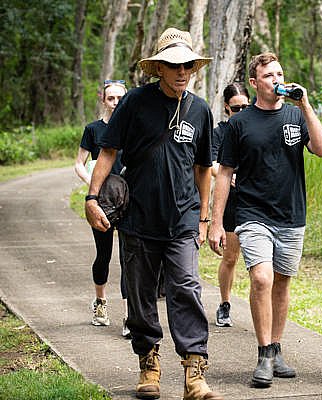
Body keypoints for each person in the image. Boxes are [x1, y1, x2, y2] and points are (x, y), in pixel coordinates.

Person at [84, 28, 223, 400]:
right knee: (141, 294)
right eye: (174, 65)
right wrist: (92, 197)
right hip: (138, 218)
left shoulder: (200, 110)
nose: (182, 72)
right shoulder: (134, 102)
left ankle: (194, 373)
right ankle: (149, 364)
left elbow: (203, 168)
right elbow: (108, 151)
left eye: (188, 65)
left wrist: (204, 217)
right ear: (159, 68)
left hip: (182, 219)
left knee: (186, 289)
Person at [208, 52, 322, 388]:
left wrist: (305, 105)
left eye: (279, 74)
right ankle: (263, 354)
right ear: (254, 83)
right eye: (268, 76)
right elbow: (224, 173)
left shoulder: (295, 115)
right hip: (252, 214)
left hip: (291, 214)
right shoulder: (240, 123)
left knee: (281, 283)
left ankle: (276, 349)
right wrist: (215, 222)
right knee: (261, 278)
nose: (276, 80)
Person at [74, 80, 130, 337]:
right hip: (101, 203)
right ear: (103, 100)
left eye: (120, 98)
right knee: (104, 254)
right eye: (111, 98)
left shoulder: (133, 128)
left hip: (128, 202)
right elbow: (79, 163)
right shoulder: (93, 129)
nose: (116, 103)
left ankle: (130, 315)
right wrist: (94, 186)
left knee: (129, 258)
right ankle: (100, 303)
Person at [211, 82, 251, 328]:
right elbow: (211, 163)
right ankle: (224, 303)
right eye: (236, 108)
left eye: (246, 106)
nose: (241, 112)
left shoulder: (257, 125)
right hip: (231, 200)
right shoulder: (220, 132)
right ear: (227, 108)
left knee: (261, 263)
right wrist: (228, 175)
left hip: (256, 200)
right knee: (230, 257)